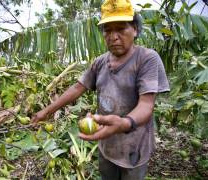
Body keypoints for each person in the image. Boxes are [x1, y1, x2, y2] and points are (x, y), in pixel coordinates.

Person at [31, 0, 170, 179]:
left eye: (120, 29)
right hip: (106, 143)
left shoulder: (146, 59)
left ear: (135, 29)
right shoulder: (100, 62)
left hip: (134, 147)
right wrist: (47, 111)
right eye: (108, 30)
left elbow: (146, 105)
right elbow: (77, 87)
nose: (113, 36)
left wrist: (124, 123)